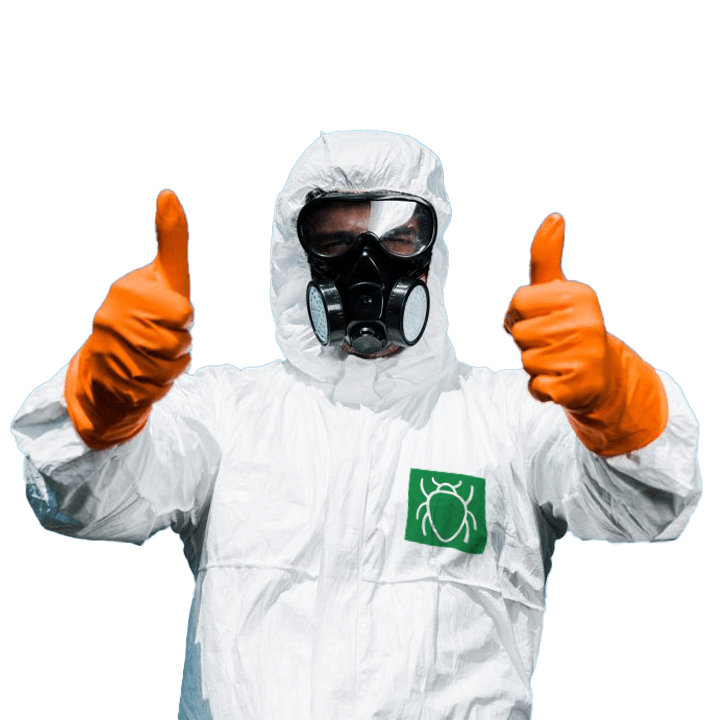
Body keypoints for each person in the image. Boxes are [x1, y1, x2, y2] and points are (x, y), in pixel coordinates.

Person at [10, 130, 702, 719]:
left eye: (398, 237)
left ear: (433, 253)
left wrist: (617, 402)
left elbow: (651, 506)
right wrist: (105, 403)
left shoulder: (510, 418)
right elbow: (84, 505)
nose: (366, 268)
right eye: (335, 241)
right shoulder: (229, 413)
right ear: (296, 257)